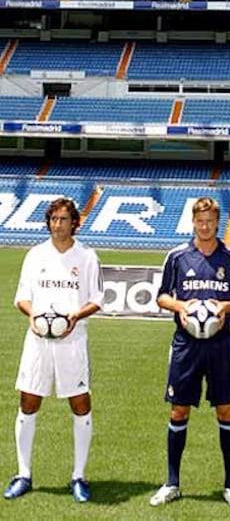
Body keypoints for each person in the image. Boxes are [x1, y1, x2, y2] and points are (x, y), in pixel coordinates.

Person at [150, 196, 230, 511]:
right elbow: (162, 297)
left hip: (221, 345)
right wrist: (182, 306)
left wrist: (226, 307)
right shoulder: (178, 257)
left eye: (210, 221)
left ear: (218, 223)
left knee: (226, 412)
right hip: (186, 345)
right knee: (179, 411)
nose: (205, 226)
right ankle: (172, 483)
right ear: (193, 222)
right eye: (200, 221)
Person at [4, 197, 104, 503]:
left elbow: (97, 299)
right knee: (28, 401)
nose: (57, 224)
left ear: (74, 222)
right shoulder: (35, 255)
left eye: (63, 219)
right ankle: (23, 474)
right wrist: (33, 314)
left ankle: (79, 476)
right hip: (37, 340)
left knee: (79, 403)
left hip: (72, 341)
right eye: (53, 219)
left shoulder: (86, 256)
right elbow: (22, 297)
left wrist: (75, 316)